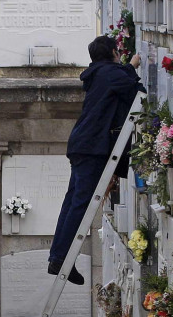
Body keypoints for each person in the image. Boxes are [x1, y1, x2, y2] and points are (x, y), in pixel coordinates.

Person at [47, 35, 146, 286]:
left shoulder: (99, 73)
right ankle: (61, 260)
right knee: (79, 204)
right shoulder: (111, 74)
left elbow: (117, 81)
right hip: (92, 147)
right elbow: (137, 92)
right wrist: (133, 67)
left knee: (72, 203)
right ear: (114, 51)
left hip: (83, 144)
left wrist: (129, 67)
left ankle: (58, 257)